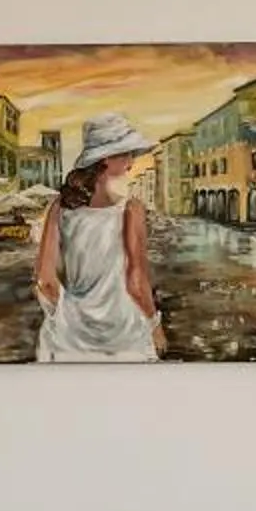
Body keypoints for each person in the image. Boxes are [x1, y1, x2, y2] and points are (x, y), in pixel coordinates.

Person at [35, 112, 164, 362]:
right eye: (126, 153)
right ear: (106, 159)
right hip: (125, 335)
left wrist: (62, 317)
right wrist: (154, 326)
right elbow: (136, 282)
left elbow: (45, 280)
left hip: (67, 338)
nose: (132, 161)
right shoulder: (131, 210)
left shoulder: (59, 208)